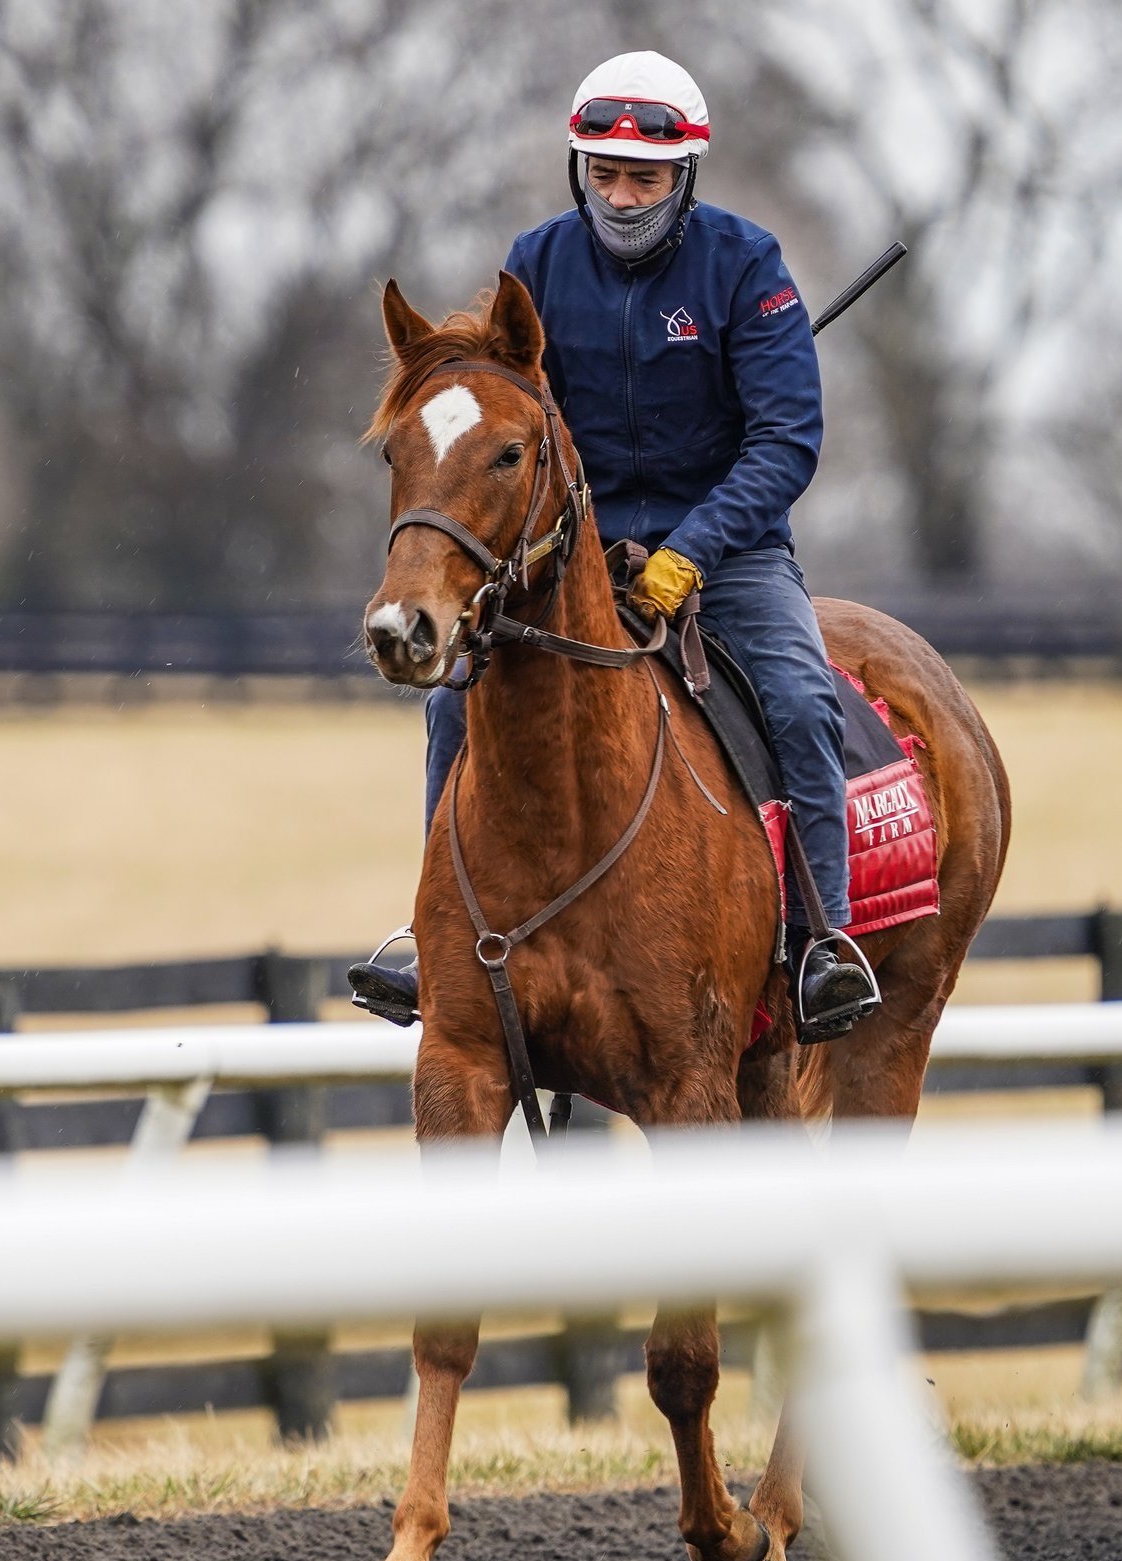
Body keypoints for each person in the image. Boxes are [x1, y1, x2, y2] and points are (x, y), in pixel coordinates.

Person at [352, 49, 878, 1044]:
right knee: (448, 705)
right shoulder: (538, 264)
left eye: (644, 177)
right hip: (568, 552)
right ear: (577, 170)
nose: (622, 194)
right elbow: (509, 418)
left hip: (730, 553)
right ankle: (436, 936)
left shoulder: (747, 265)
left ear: (685, 176)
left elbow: (785, 441)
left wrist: (691, 551)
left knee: (804, 701)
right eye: (604, 173)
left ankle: (820, 947)